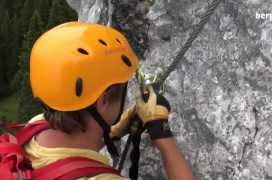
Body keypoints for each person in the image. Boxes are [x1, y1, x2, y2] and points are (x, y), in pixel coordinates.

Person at [25, 21, 195, 180]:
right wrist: (164, 139)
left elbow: (69, 152)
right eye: (123, 89)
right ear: (103, 100)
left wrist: (114, 131)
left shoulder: (36, 127)